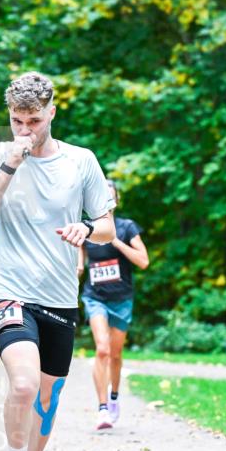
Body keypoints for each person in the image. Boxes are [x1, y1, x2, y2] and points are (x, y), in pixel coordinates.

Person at [0, 72, 117, 451]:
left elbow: (108, 225)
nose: (25, 130)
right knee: (26, 384)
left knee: (47, 398)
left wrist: (87, 230)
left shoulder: (81, 161)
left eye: (34, 120)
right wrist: (9, 165)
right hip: (8, 290)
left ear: (52, 112)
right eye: (17, 121)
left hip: (58, 297)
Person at [78, 179, 149, 430]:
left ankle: (115, 397)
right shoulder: (87, 229)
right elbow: (78, 264)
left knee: (116, 355)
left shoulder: (127, 227)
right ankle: (102, 409)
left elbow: (143, 261)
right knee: (103, 350)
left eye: (109, 198)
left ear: (116, 201)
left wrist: (117, 242)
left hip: (121, 299)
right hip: (95, 297)